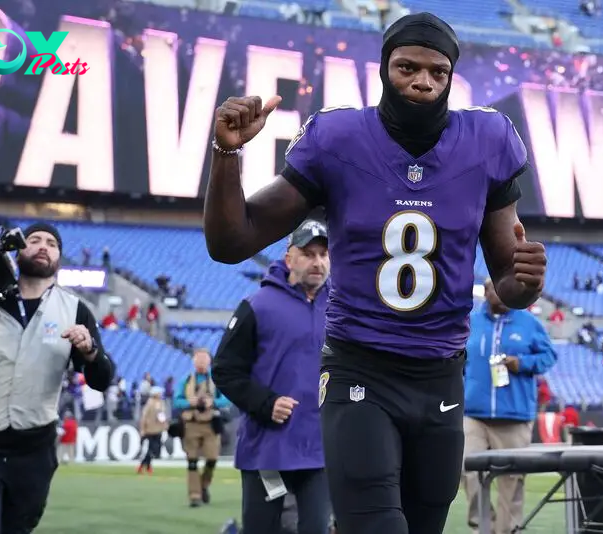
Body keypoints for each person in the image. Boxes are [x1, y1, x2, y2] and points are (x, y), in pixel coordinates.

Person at [203, 11, 547, 534]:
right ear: (384, 68)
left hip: (440, 371)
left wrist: (523, 285)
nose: (423, 81)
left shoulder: (488, 139)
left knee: (423, 524)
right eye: (407, 66)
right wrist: (227, 152)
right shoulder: (338, 137)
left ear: (452, 76)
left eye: (437, 71)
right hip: (360, 366)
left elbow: (505, 279)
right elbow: (232, 242)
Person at [0, 222, 114, 534]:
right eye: (33, 240)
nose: (42, 246)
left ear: (59, 258)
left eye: (51, 243)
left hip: (34, 449)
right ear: (16, 251)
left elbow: (102, 380)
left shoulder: (75, 309)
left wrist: (89, 350)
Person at [212, 219, 332, 534]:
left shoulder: (340, 308)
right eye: (309, 254)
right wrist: (266, 403)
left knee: (317, 529)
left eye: (323, 254)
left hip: (320, 448)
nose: (318, 262)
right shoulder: (257, 306)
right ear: (289, 258)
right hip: (268, 448)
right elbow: (224, 369)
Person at [461, 278, 557, 534]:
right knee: (467, 469)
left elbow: (549, 356)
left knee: (511, 481)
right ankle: (484, 526)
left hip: (513, 415)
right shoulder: (470, 321)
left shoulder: (529, 323)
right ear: (485, 291)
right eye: (497, 288)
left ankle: (507, 531)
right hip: (473, 412)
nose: (504, 294)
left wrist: (523, 363)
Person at [173, 348, 230, 507]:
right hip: (191, 423)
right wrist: (190, 403)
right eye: (199, 359)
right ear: (194, 361)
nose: (201, 362)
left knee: (212, 459)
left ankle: (203, 485)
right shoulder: (186, 379)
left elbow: (226, 399)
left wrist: (213, 403)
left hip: (211, 424)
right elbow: (176, 401)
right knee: (192, 461)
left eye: (204, 359)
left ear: (209, 362)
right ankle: (195, 495)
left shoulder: (216, 380)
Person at [137, 386, 169, 474]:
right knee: (152, 449)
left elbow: (161, 416)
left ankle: (145, 466)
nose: (160, 394)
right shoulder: (150, 403)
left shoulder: (160, 402)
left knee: (153, 449)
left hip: (157, 429)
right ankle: (145, 466)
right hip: (151, 430)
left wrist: (164, 424)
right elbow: (144, 417)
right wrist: (143, 429)